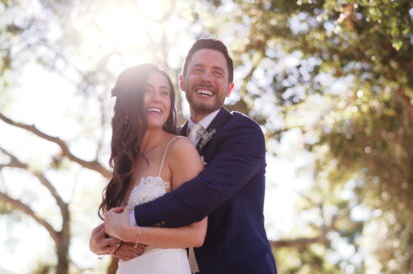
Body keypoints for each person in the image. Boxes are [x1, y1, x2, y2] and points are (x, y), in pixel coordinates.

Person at [101, 38, 278, 273]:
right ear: (182, 83)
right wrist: (105, 240)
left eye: (217, 73)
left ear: (229, 88)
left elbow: (203, 194)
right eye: (198, 70)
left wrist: (130, 220)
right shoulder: (168, 142)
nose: (206, 78)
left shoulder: (242, 132)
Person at [89, 64, 206, 274]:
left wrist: (132, 234)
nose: (157, 98)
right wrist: (99, 245)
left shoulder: (179, 149)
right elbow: (116, 228)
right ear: (129, 98)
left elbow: (196, 235)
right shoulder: (125, 161)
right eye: (146, 90)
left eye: (164, 93)